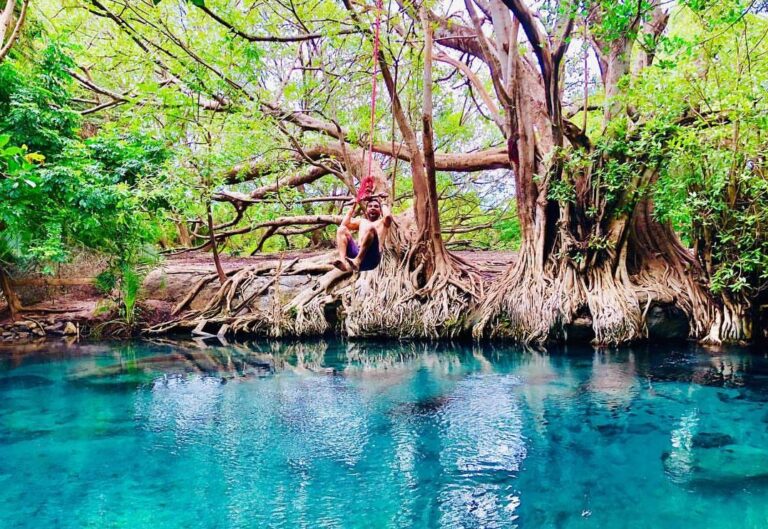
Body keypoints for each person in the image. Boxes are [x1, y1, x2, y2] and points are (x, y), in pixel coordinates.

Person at [333, 196, 392, 272]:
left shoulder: (383, 222)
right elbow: (344, 224)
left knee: (371, 228)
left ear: (380, 211)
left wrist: (383, 202)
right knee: (341, 229)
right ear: (366, 211)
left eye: (376, 206)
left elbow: (388, 217)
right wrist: (354, 205)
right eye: (370, 206)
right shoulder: (362, 222)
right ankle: (343, 262)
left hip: (372, 258)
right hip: (356, 253)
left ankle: (358, 260)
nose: (373, 208)